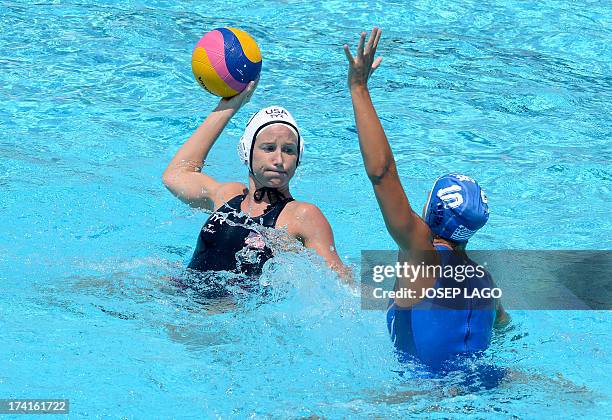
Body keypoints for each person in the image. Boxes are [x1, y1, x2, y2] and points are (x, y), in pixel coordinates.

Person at [344, 28, 509, 368]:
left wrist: (359, 89)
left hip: (428, 398)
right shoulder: (486, 282)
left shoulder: (422, 253)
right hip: (489, 385)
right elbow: (506, 329)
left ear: (430, 213)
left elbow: (382, 173)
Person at [162, 81, 349, 290]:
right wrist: (229, 106)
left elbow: (342, 283)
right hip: (177, 296)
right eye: (268, 148)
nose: (279, 159)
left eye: (288, 150)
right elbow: (175, 174)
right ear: (246, 151)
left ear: (299, 157)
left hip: (224, 317)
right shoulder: (227, 196)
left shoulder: (302, 216)